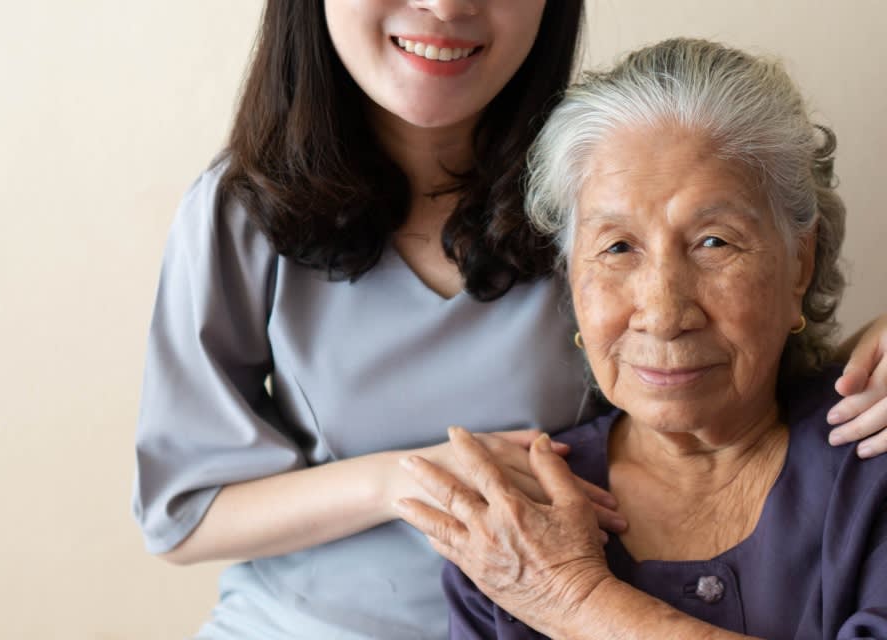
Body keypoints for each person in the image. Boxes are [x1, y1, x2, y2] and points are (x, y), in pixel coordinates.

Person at [132, 1, 887, 637]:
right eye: (617, 247)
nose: (448, 4)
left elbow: (727, 368)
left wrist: (870, 353)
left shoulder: (611, 166)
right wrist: (410, 483)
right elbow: (181, 509)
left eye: (712, 242)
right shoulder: (243, 208)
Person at [396, 38, 887, 639]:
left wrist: (575, 601)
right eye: (617, 248)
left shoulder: (872, 466)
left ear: (799, 266)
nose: (662, 312)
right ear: (571, 278)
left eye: (715, 242)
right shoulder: (517, 522)